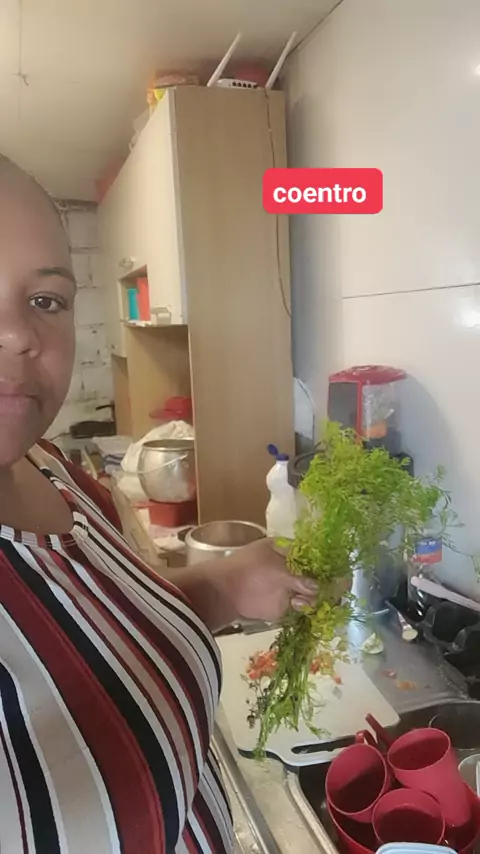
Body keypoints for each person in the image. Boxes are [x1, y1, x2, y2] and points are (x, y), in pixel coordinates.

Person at [0, 154, 318, 853]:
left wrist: (222, 585)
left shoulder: (55, 471)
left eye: (45, 300)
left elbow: (102, 635)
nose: (20, 334)